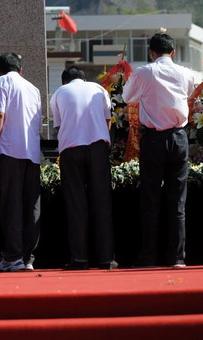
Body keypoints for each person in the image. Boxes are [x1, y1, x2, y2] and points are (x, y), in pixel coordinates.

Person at [122, 31, 197, 268]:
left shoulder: (145, 72)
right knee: (178, 202)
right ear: (173, 52)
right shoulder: (185, 73)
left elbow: (126, 97)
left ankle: (148, 256)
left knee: (150, 200)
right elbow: (188, 93)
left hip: (153, 139)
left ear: (151, 53)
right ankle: (177, 258)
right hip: (179, 138)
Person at [50, 67, 116, 270]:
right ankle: (106, 258)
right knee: (101, 202)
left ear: (64, 81)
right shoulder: (99, 88)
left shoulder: (59, 93)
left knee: (76, 203)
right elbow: (107, 121)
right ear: (83, 78)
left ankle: (79, 258)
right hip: (98, 147)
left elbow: (59, 126)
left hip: (71, 150)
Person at [0, 52, 42, 272]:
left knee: (11, 204)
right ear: (21, 70)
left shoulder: (1, 82)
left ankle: (13, 257)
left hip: (10, 149)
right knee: (31, 206)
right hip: (32, 151)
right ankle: (28, 257)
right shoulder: (33, 88)